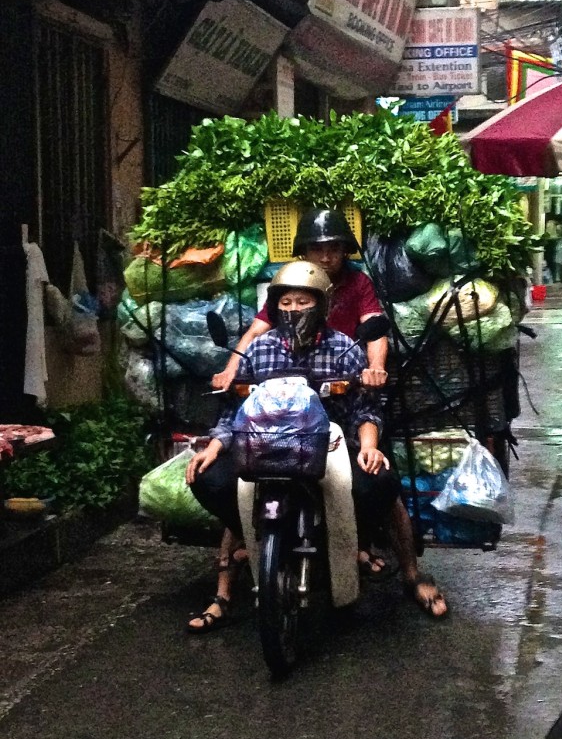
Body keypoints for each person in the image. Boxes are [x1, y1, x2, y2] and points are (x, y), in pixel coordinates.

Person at [185, 262, 447, 633]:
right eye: (286, 302)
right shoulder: (258, 351)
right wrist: (215, 445)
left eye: (303, 301)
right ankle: (232, 581)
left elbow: (365, 409)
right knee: (214, 481)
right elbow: (234, 410)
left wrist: (368, 446)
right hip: (267, 442)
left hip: (329, 443)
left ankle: (379, 561)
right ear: (275, 306)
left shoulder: (345, 350)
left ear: (321, 306)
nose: (293, 310)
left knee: (379, 484)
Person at [212, 208, 389, 392]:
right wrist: (230, 370)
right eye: (317, 249)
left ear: (345, 251)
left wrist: (376, 368)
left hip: (337, 370)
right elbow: (256, 331)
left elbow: (374, 330)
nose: (326, 258)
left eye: (334, 249)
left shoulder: (358, 282)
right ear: (304, 252)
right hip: (290, 373)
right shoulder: (290, 283)